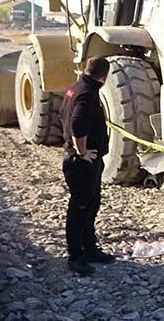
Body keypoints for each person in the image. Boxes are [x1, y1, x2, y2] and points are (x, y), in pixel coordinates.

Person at [61, 56, 115, 276]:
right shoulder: (87, 94)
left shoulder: (78, 87)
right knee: (80, 208)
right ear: (105, 76)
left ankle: (90, 248)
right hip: (81, 163)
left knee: (91, 205)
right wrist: (82, 152)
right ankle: (75, 257)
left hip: (85, 161)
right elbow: (77, 123)